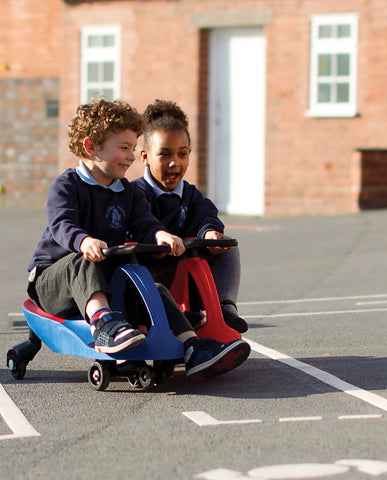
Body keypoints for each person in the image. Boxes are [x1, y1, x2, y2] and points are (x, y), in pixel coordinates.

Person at [27, 99, 250, 382]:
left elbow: (145, 224)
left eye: (132, 148)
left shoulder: (129, 192)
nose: (131, 156)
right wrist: (84, 241)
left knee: (153, 289)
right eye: (124, 148)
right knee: (81, 262)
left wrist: (161, 235)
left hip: (102, 283)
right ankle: (104, 325)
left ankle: (194, 346)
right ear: (91, 147)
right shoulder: (67, 186)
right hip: (55, 282)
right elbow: (62, 224)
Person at [133, 99, 248, 333]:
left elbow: (206, 215)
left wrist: (210, 233)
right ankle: (182, 320)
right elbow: (140, 223)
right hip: (150, 277)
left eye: (182, 154)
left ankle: (224, 308)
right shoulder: (135, 194)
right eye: (164, 155)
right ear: (145, 157)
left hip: (185, 275)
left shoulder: (190, 194)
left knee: (227, 246)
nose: (175, 162)